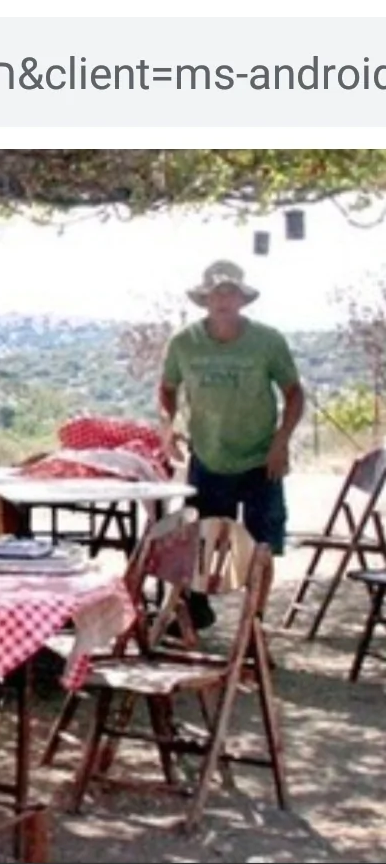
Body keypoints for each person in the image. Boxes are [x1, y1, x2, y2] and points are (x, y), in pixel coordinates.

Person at [158, 259, 305, 628]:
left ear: (242, 299)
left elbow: (294, 393)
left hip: (260, 458)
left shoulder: (267, 341)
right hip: (208, 456)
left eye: (230, 293)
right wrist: (168, 424)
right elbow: (167, 388)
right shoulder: (185, 342)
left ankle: (253, 626)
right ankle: (195, 611)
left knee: (261, 548)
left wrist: (281, 442)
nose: (223, 300)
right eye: (216, 294)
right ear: (205, 299)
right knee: (200, 542)